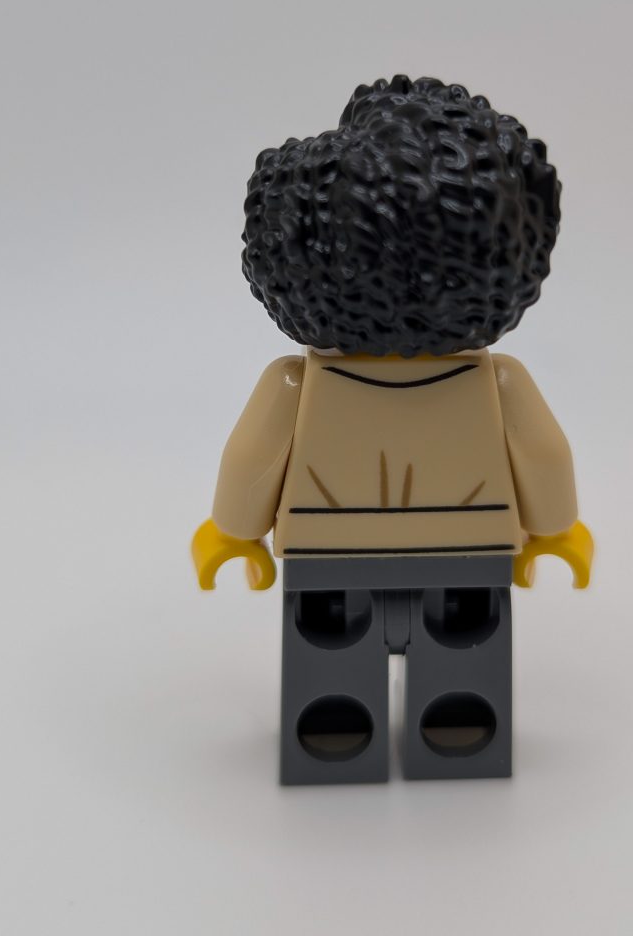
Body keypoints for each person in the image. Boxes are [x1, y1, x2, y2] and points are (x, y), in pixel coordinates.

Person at [192, 76, 593, 784]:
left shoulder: (297, 384)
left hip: (328, 544)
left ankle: (333, 740)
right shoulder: (496, 383)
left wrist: (232, 531)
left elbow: (253, 455)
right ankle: (458, 738)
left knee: (330, 659)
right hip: (469, 541)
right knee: (463, 654)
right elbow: (543, 452)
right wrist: (556, 529)